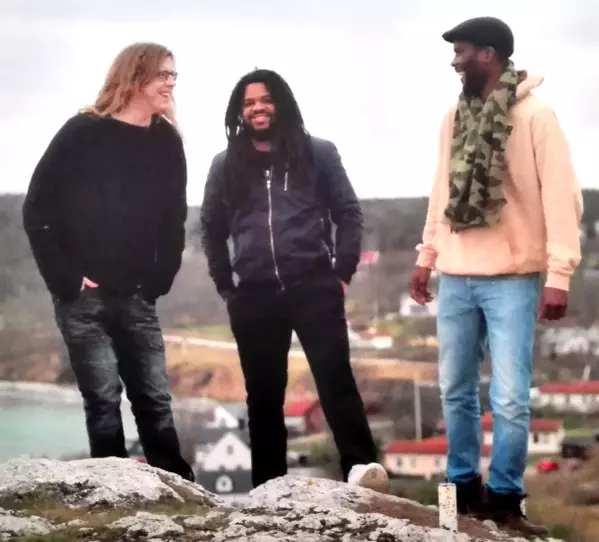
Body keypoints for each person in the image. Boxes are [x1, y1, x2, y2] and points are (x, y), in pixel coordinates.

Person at [409, 17, 582, 535]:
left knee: (510, 397)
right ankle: (459, 494)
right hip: (456, 275)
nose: (454, 61)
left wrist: (559, 274)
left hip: (513, 276)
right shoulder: (454, 116)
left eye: (461, 52)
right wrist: (426, 256)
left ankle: (506, 500)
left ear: (488, 55)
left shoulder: (536, 116)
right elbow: (441, 191)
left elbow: (562, 198)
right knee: (454, 390)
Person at [200, 68, 388, 492]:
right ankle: (269, 488)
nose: (258, 108)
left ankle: (361, 469)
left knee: (335, 380)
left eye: (265, 100)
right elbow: (210, 228)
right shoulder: (225, 164)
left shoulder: (318, 152)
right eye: (249, 103)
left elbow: (348, 213)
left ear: (281, 103)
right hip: (253, 295)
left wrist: (342, 273)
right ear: (239, 112)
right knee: (264, 396)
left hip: (314, 287)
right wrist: (227, 286)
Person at [22, 42, 194, 481]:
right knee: (102, 399)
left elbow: (174, 218)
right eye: (163, 75)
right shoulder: (82, 131)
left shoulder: (166, 141)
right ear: (134, 77)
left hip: (138, 295)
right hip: (83, 298)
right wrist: (66, 281)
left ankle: (177, 491)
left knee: (154, 399)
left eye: (173, 75)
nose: (171, 84)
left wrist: (159, 278)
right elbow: (37, 210)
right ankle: (111, 490)